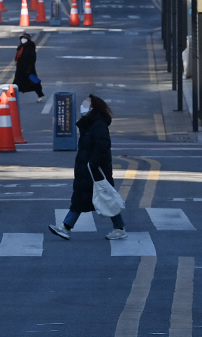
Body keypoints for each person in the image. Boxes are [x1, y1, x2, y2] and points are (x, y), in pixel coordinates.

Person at [48, 94, 126, 241]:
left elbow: (102, 147)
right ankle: (118, 228)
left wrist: (92, 164)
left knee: (100, 199)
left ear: (92, 108)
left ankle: (66, 227)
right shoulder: (90, 123)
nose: (82, 106)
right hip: (89, 170)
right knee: (93, 199)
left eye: (86, 104)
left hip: (95, 170)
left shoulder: (98, 125)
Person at [13, 32, 45, 102]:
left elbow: (32, 60)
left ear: (28, 40)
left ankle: (41, 96)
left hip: (28, 70)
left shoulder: (30, 48)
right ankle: (12, 98)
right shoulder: (20, 47)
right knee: (16, 84)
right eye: (22, 38)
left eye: (25, 38)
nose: (23, 40)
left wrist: (29, 69)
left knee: (34, 83)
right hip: (20, 70)